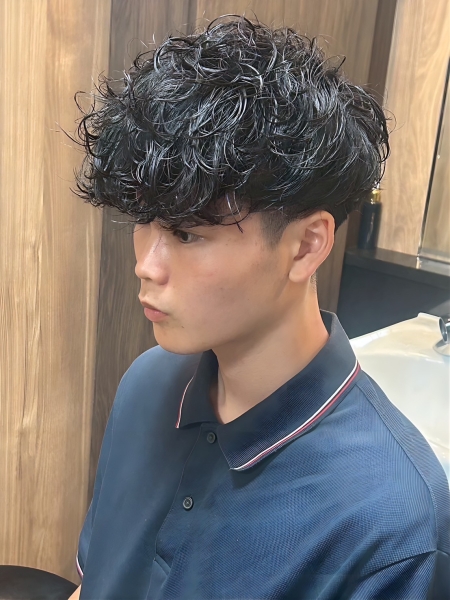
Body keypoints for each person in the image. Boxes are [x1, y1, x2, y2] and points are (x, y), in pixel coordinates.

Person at [68, 15, 450, 600]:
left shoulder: (392, 526)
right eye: (142, 221)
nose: (147, 263)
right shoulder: (149, 384)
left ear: (306, 246)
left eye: (187, 233)